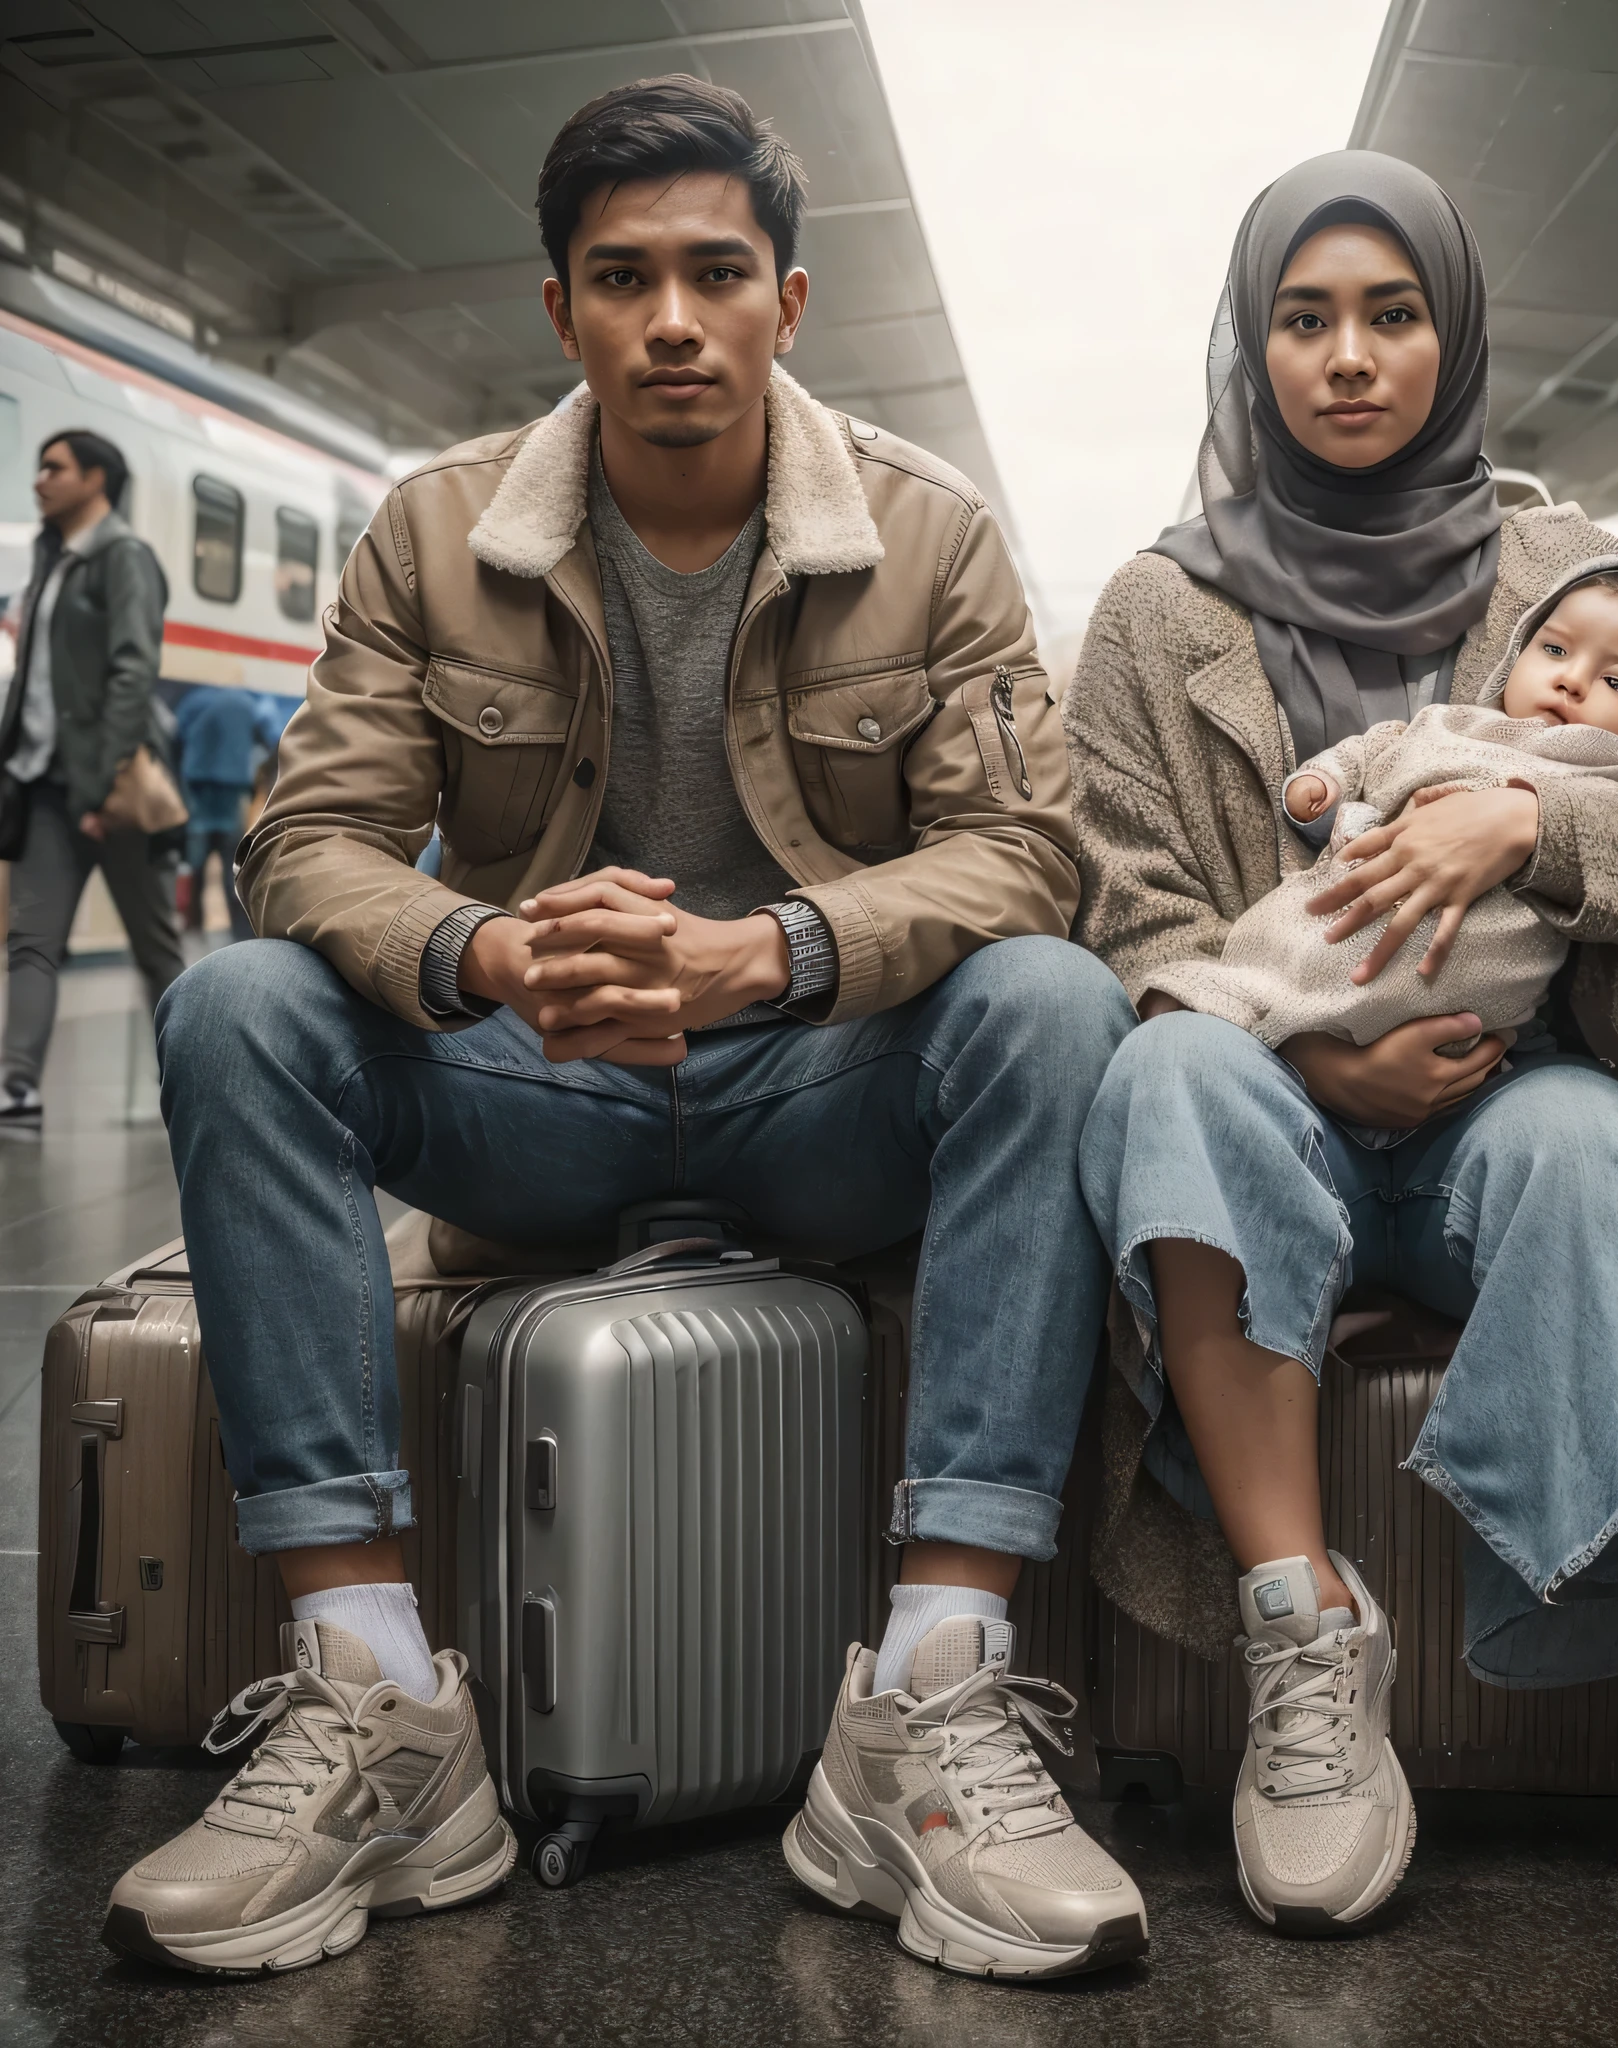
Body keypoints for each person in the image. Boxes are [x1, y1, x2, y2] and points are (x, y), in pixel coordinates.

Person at [112, 75, 1145, 1981]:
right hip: (539, 1085)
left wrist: (778, 954)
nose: (673, 320)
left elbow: (1026, 857)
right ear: (561, 310)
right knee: (246, 1000)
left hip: (813, 1087)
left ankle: (931, 1691)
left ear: (788, 304)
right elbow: (307, 846)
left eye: (715, 275)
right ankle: (378, 1702)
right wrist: (492, 956)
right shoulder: (436, 535)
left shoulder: (930, 538)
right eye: (624, 278)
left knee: (1055, 1000)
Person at [1065, 151, 1618, 1975]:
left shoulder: (1575, 570)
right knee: (1165, 1075)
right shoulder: (1155, 613)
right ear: (1249, 347)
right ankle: (1304, 1647)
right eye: (1301, 319)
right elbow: (1129, 923)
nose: (1348, 356)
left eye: (1392, 314)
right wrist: (1311, 1063)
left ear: (1453, 338)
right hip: (1260, 1109)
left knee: (1582, 1138)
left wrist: (1518, 835)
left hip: (1514, 1098)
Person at [1148, 559, 1618, 1050]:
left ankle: (1260, 1021)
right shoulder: (1458, 724)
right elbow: (1381, 747)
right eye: (1554, 649)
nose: (1572, 680)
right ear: (1517, 652)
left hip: (1468, 986)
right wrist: (1327, 778)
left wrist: (1534, 820)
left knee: (1311, 991)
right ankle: (1260, 1019)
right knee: (1285, 951)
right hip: (1348, 908)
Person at [0, 430, 185, 1137]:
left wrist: (107, 777)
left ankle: (197, 1080)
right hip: (46, 786)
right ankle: (18, 1092)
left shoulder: (122, 558)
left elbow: (134, 670)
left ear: (97, 479)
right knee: (32, 941)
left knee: (154, 948)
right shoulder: (53, 564)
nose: (40, 479)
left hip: (112, 790)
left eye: (56, 468)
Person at [174, 683, 262, 941]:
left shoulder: (192, 700)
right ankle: (240, 935)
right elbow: (266, 738)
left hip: (199, 793)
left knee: (196, 865)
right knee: (232, 869)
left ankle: (193, 930)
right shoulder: (247, 703)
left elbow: (176, 739)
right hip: (232, 794)